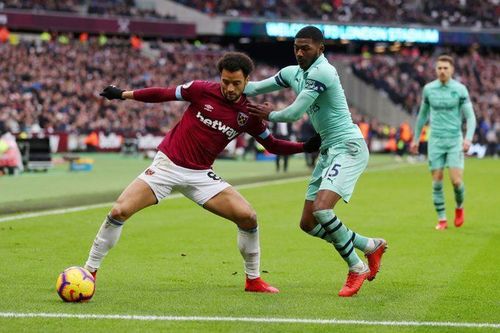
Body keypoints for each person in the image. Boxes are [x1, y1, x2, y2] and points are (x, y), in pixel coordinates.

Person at [84, 52, 321, 294]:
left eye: (236, 83)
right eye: (225, 81)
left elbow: (272, 145)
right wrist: (123, 95)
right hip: (168, 166)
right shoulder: (200, 90)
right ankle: (89, 272)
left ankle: (253, 280)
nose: (229, 87)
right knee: (119, 211)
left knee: (248, 217)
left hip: (201, 176)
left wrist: (305, 147)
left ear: (247, 81)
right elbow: (163, 94)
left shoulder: (249, 114)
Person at [245, 26, 387, 297]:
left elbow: (294, 112)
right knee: (308, 223)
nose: (299, 52)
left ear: (320, 48)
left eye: (306, 48)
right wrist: (225, 86)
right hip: (327, 150)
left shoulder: (323, 71)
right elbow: (254, 87)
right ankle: (370, 246)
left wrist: (269, 114)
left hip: (347, 147)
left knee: (323, 210)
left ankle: (356, 267)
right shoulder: (292, 73)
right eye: (296, 47)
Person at [410, 55, 476, 230]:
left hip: (455, 140)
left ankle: (459, 207)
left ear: (452, 70)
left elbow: (470, 117)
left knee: (456, 181)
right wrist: (416, 139)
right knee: (437, 180)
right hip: (436, 141)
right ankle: (442, 219)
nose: (442, 71)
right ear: (436, 70)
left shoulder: (460, 89)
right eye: (439, 68)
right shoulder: (429, 89)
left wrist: (468, 138)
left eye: (446, 68)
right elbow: (422, 116)